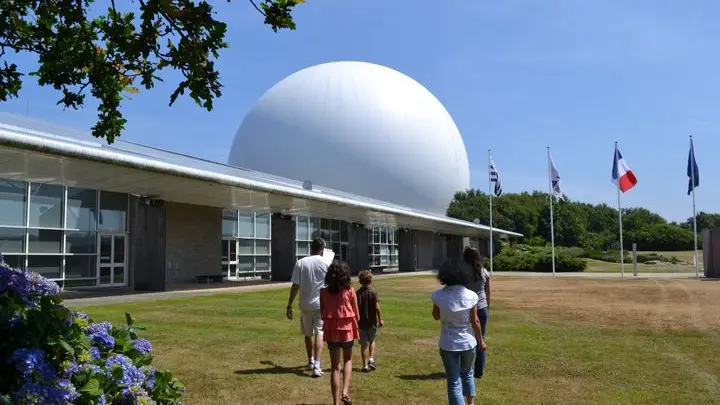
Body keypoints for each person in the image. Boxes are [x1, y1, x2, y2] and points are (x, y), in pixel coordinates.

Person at [431, 259, 487, 405]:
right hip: (468, 342)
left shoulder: (438, 295)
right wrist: (481, 340)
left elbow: (436, 316)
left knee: (454, 381)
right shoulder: (471, 295)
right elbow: (475, 321)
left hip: (447, 342)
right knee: (467, 373)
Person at [287, 238, 329, 378]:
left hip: (305, 303)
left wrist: (289, 304)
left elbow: (295, 286)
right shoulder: (326, 263)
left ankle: (311, 360)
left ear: (311, 247)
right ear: (322, 249)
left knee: (307, 333)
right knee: (320, 332)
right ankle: (316, 364)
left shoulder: (301, 262)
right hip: (321, 304)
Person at [320, 261, 359, 405]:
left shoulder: (323, 292)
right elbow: (357, 314)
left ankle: (335, 402)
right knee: (348, 360)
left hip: (331, 331)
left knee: (335, 366)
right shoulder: (350, 291)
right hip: (347, 329)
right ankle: (345, 392)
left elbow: (322, 313)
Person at [462, 247, 491, 379]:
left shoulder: (462, 272)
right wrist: (487, 306)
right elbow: (488, 292)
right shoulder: (483, 271)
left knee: (466, 338)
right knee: (481, 339)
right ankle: (478, 371)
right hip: (482, 307)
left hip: (467, 308)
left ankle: (465, 368)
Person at [356, 269, 383, 372]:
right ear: (370, 280)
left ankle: (364, 365)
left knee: (363, 345)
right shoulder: (373, 293)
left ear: (359, 281)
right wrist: (380, 320)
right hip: (371, 322)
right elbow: (377, 308)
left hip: (360, 323)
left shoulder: (357, 293)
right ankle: (371, 359)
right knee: (372, 340)